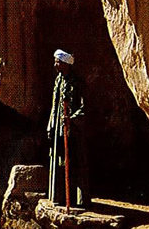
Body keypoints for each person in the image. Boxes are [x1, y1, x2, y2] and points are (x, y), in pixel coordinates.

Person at [47, 49, 89, 208]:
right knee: (58, 160)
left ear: (65, 64)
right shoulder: (58, 80)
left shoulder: (77, 82)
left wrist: (72, 119)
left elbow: (85, 106)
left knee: (75, 161)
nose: (55, 65)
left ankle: (77, 200)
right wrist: (52, 123)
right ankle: (59, 196)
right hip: (59, 127)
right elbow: (55, 104)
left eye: (58, 62)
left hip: (74, 130)